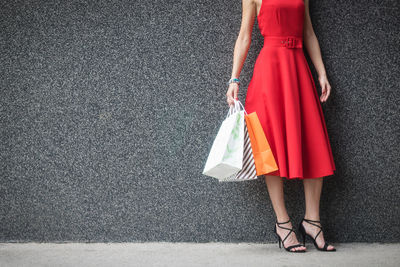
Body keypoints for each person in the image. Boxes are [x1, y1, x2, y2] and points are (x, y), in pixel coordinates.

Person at [226, 0, 337, 252]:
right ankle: (283, 224)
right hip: (270, 73)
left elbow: (308, 32)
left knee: (312, 142)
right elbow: (244, 36)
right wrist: (234, 78)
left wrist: (321, 72)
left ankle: (312, 220)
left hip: (298, 70)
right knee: (271, 147)